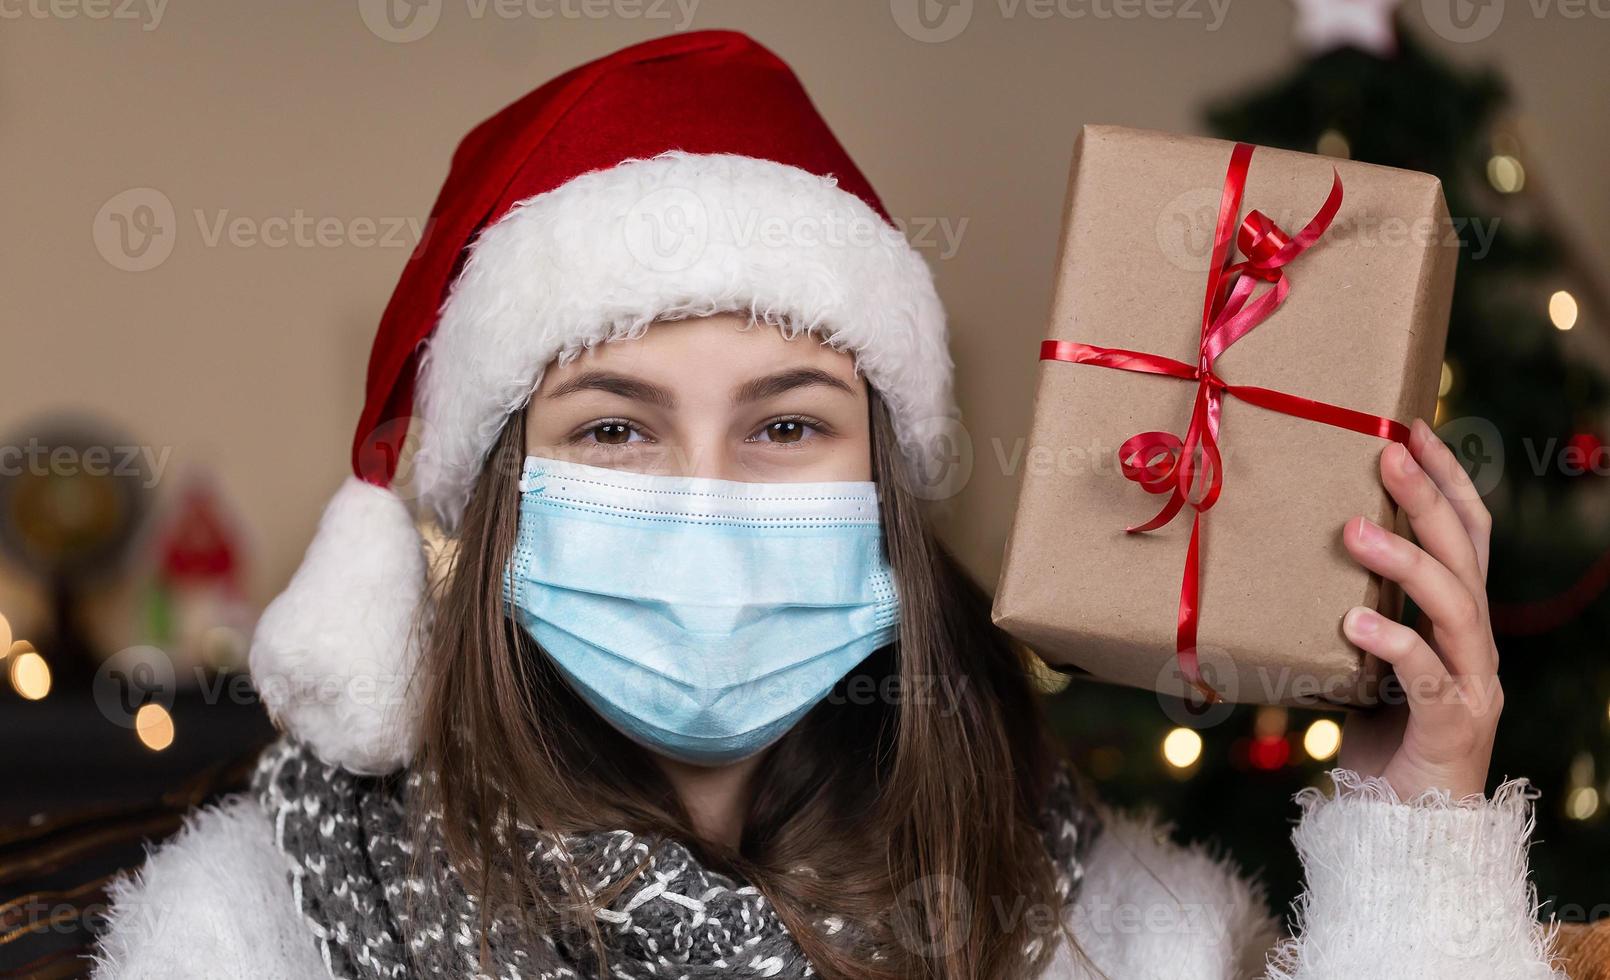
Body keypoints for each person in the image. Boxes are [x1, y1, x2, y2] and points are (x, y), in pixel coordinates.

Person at [92, 31, 1560, 980]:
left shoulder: (1113, 930)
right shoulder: (245, 932)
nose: (707, 502)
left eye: (787, 422)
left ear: (883, 493)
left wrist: (1414, 814)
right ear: (496, 510)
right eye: (614, 426)